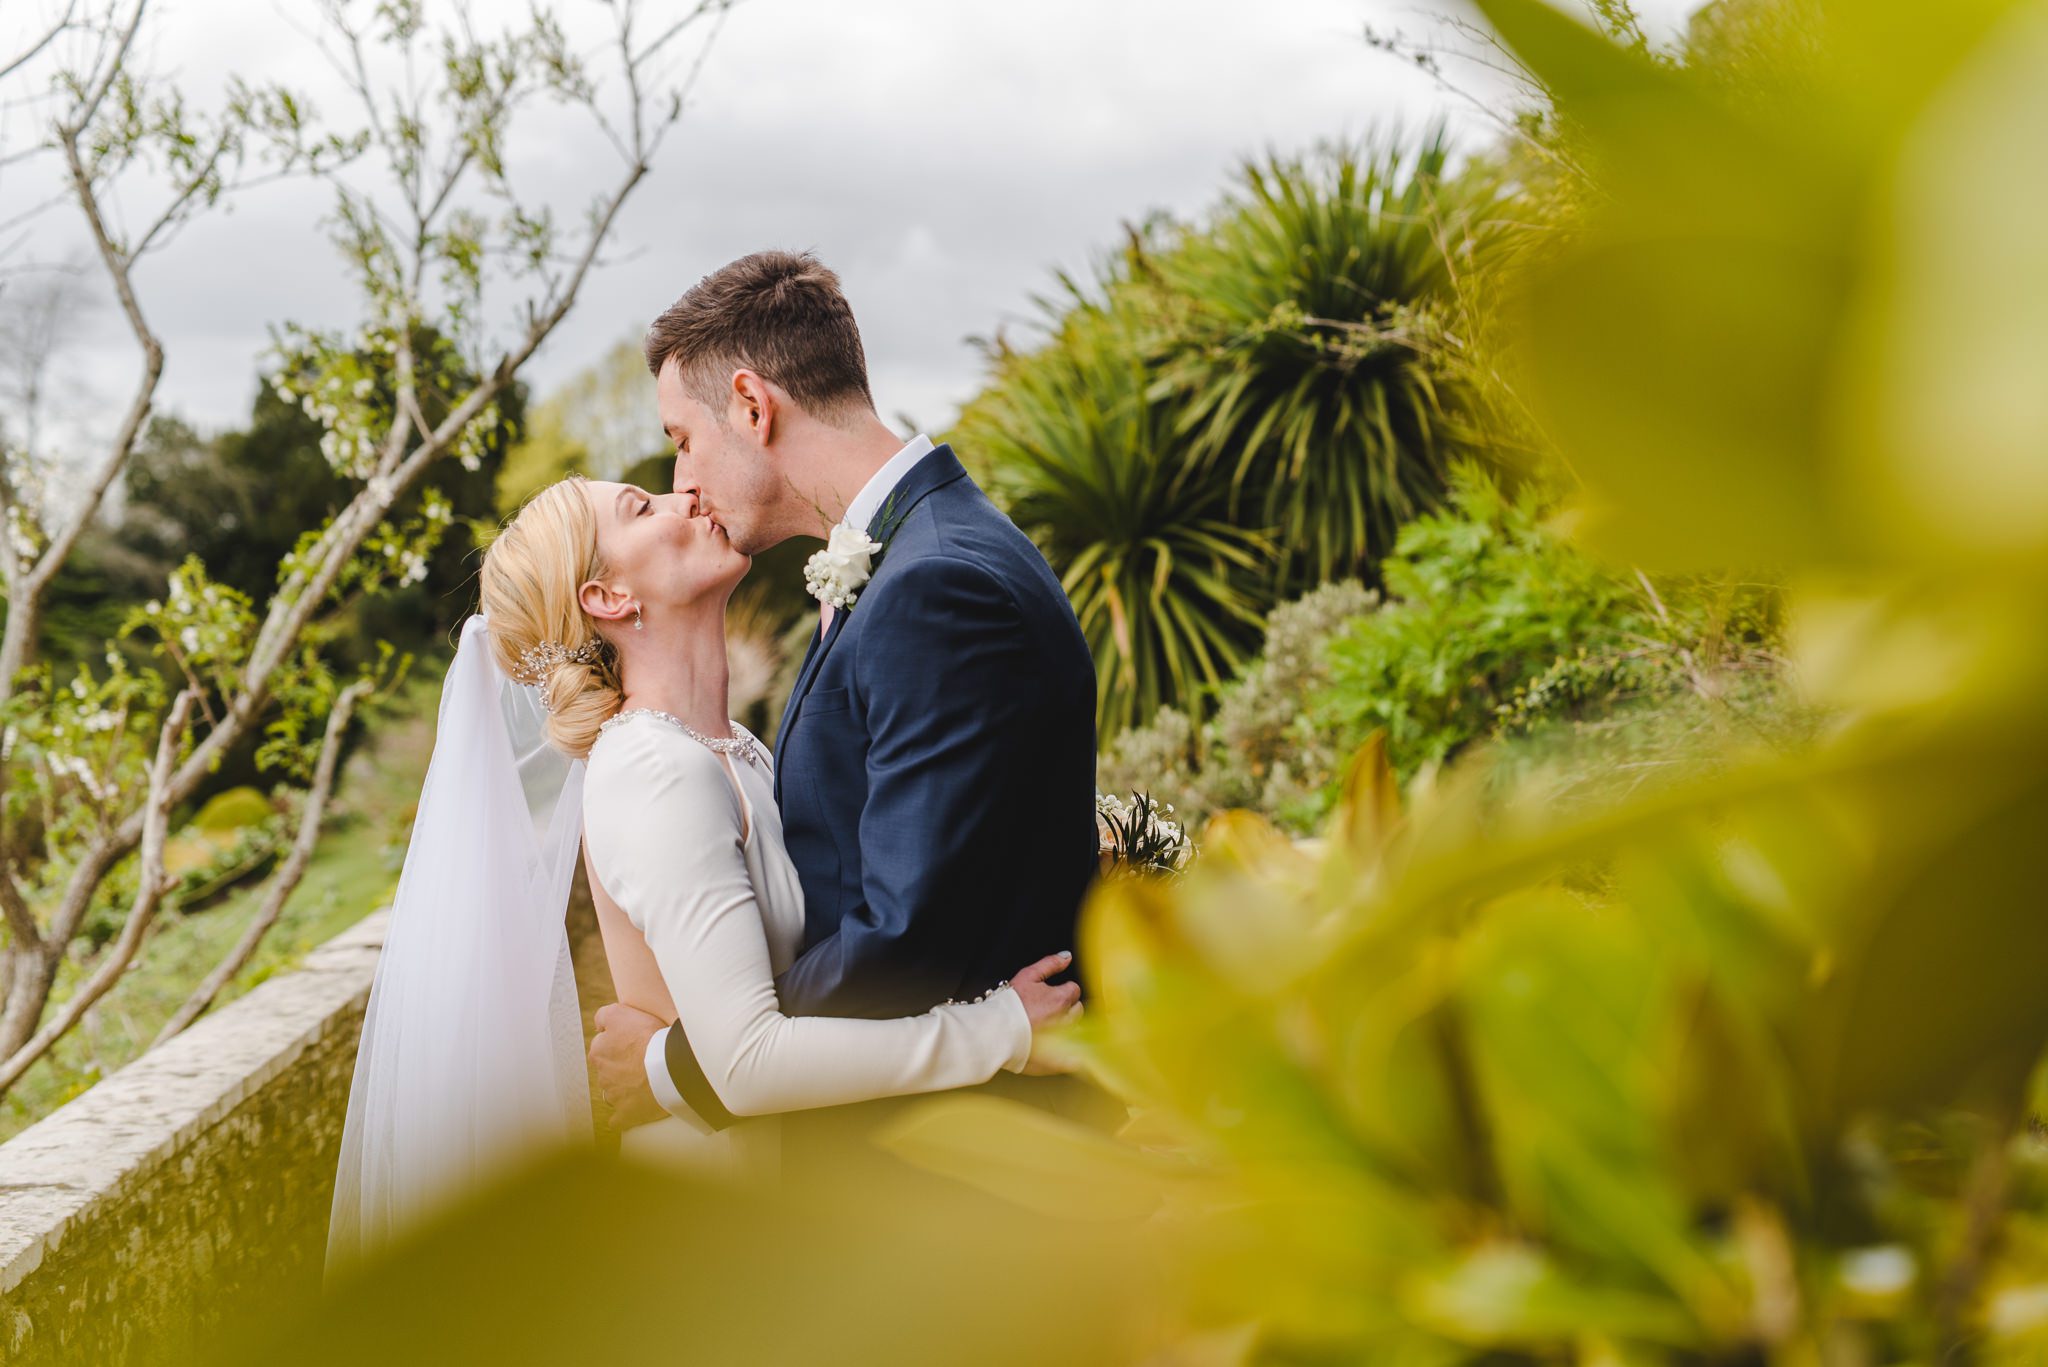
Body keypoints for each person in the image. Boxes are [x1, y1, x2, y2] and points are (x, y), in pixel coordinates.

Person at [584, 251, 1102, 1147]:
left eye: (682, 441)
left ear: (753, 406)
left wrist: (683, 1062)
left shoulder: (933, 586)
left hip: (964, 1161)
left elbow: (905, 937)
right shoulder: (919, 556)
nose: (684, 485)